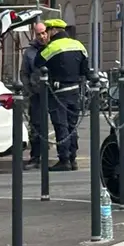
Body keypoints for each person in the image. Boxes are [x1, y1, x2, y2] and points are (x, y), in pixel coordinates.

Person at [33, 19, 88, 172]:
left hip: (58, 92)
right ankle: (73, 158)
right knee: (72, 126)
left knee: (61, 125)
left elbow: (38, 63)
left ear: (54, 30)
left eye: (48, 30)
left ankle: (64, 159)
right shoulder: (79, 45)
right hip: (75, 91)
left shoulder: (52, 47)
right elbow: (85, 69)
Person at [20, 22, 48, 170]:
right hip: (36, 94)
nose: (42, 36)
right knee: (36, 126)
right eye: (39, 34)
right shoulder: (30, 52)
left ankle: (67, 157)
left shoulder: (53, 48)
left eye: (44, 33)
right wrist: (28, 89)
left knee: (62, 125)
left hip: (54, 93)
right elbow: (24, 72)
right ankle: (35, 157)